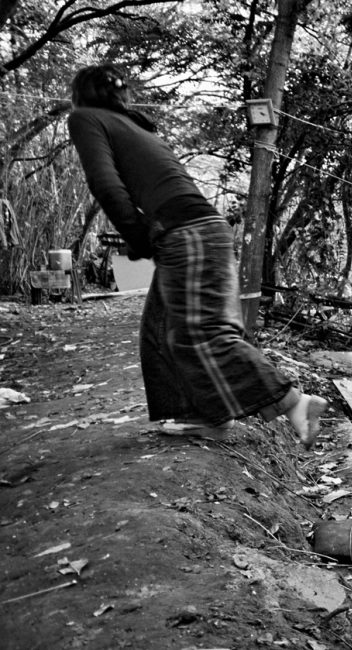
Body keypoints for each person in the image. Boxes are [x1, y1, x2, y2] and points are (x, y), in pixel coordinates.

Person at [67, 64, 327, 445]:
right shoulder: (136, 126)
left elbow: (105, 184)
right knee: (159, 331)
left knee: (201, 335)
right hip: (203, 231)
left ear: (81, 93)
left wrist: (140, 238)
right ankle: (207, 417)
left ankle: (293, 402)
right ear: (119, 95)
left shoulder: (85, 118)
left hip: (186, 234)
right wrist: (149, 237)